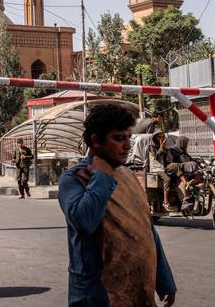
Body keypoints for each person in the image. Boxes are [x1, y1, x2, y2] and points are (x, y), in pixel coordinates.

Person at [58, 103, 177, 307]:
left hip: (138, 293)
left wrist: (164, 281)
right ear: (96, 140)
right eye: (119, 139)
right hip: (97, 296)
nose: (127, 146)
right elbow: (85, 221)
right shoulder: (75, 178)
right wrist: (102, 175)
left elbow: (146, 230)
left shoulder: (128, 175)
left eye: (128, 138)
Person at [151, 133, 198, 211]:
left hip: (175, 169)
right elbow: (158, 157)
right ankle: (166, 201)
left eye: (162, 136)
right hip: (161, 169)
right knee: (173, 169)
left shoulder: (179, 151)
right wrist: (162, 146)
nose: (161, 138)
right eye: (159, 137)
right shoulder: (153, 147)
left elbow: (189, 159)